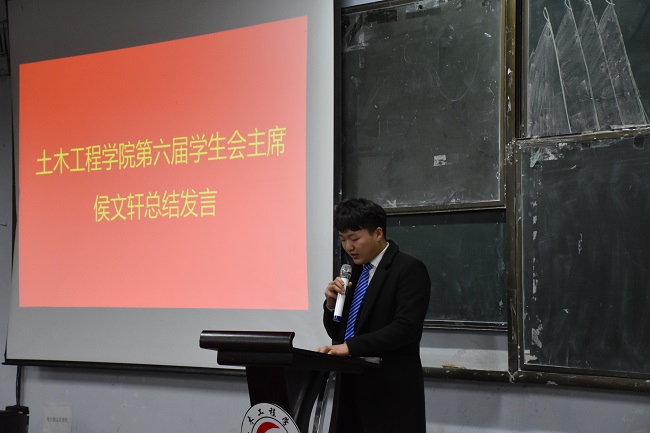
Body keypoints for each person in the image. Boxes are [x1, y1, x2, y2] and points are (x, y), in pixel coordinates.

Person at [316, 198, 431, 433]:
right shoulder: (352, 271)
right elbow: (337, 332)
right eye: (342, 239)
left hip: (389, 395)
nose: (348, 247)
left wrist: (349, 347)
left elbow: (405, 328)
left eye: (354, 238)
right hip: (349, 390)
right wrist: (331, 305)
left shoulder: (408, 269)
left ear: (378, 233)